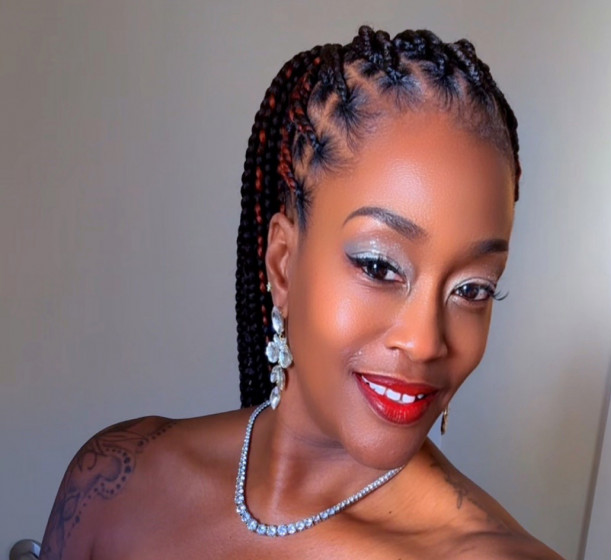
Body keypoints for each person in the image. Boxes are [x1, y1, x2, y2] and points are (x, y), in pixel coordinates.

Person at [40, 26, 564, 559]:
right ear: (284, 265)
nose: (426, 341)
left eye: (473, 289)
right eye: (379, 267)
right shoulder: (115, 484)